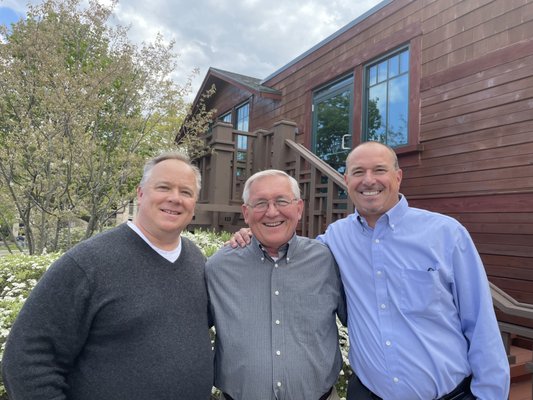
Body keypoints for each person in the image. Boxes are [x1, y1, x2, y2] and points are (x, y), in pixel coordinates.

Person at [231, 142, 510, 400]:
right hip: (368, 394)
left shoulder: (446, 234)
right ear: (347, 181)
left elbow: (481, 323)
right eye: (358, 172)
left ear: (398, 177)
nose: (368, 180)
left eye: (379, 170)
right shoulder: (335, 239)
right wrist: (252, 234)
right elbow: (289, 249)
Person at [2, 152, 214, 400]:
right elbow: (25, 360)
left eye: (186, 192)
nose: (175, 198)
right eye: (164, 187)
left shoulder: (196, 259)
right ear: (141, 193)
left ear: (194, 203)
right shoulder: (88, 263)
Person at [206, 169, 346, 400]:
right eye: (260, 203)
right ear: (246, 213)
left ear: (299, 208)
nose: (272, 212)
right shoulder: (219, 267)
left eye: (282, 201)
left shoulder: (327, 260)